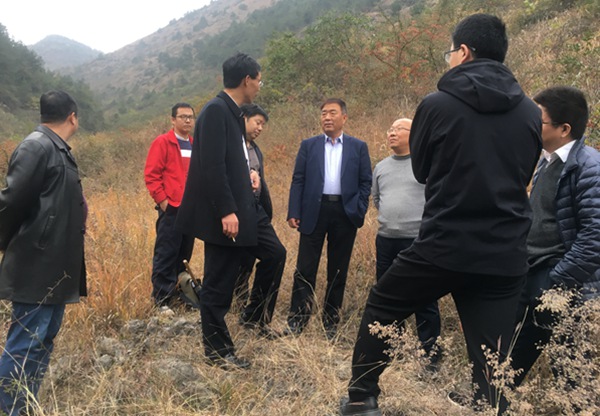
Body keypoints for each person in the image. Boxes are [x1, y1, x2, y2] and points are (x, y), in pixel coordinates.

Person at [339, 14, 542, 416]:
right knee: (491, 355)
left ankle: (362, 398)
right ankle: (489, 407)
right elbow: (524, 174)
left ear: (463, 52)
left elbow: (421, 170)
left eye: (450, 52)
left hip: (444, 244)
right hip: (504, 253)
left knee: (384, 305)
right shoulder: (530, 113)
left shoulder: (436, 104)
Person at [176, 53, 286, 369]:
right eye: (259, 80)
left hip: (246, 208)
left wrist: (247, 176)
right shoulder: (215, 111)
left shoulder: (233, 113)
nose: (260, 85)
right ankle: (217, 351)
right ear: (246, 80)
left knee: (275, 254)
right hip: (225, 215)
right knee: (218, 282)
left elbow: (230, 160)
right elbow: (210, 166)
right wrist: (226, 210)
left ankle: (253, 317)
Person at [0, 90, 87, 415]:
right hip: (36, 263)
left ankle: (24, 404)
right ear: (72, 117)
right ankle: (10, 408)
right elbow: (10, 203)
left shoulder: (55, 148)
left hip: (53, 264)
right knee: (26, 342)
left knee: (43, 339)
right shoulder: (36, 147)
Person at [510, 86, 600, 388]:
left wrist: (557, 279)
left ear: (564, 129)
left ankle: (577, 406)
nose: (530, 125)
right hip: (533, 269)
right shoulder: (546, 161)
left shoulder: (589, 167)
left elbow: (595, 236)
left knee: (568, 358)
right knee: (520, 342)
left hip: (559, 275)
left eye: (538, 120)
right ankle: (492, 398)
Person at [286, 98, 372, 340]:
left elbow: (366, 181)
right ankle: (298, 319)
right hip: (314, 210)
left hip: (345, 212)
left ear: (344, 117)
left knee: (338, 269)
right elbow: (298, 179)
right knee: (305, 267)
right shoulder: (309, 145)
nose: (327, 117)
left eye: (332, 113)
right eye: (323, 113)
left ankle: (331, 321)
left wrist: (359, 208)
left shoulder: (358, 147)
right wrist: (294, 211)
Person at [372, 117, 441, 368]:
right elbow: (377, 199)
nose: (391, 133)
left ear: (414, 134)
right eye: (390, 129)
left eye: (398, 129)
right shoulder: (381, 167)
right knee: (387, 294)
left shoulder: (427, 164)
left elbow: (437, 199)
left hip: (418, 240)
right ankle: (393, 346)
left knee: (424, 296)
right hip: (386, 239)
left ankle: (430, 353)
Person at [144, 103, 196, 309]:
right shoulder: (163, 142)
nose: (187, 120)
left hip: (191, 210)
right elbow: (152, 175)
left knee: (184, 255)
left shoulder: (194, 144)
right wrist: (163, 202)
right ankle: (162, 300)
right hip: (172, 209)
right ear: (173, 120)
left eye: (190, 117)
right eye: (183, 117)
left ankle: (180, 296)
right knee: (166, 254)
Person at [233, 104, 278, 307]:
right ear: (244, 119)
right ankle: (239, 303)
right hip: (237, 211)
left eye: (263, 125)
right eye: (257, 122)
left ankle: (253, 309)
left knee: (270, 254)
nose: (260, 128)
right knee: (240, 261)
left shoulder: (256, 149)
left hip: (256, 210)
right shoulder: (233, 145)